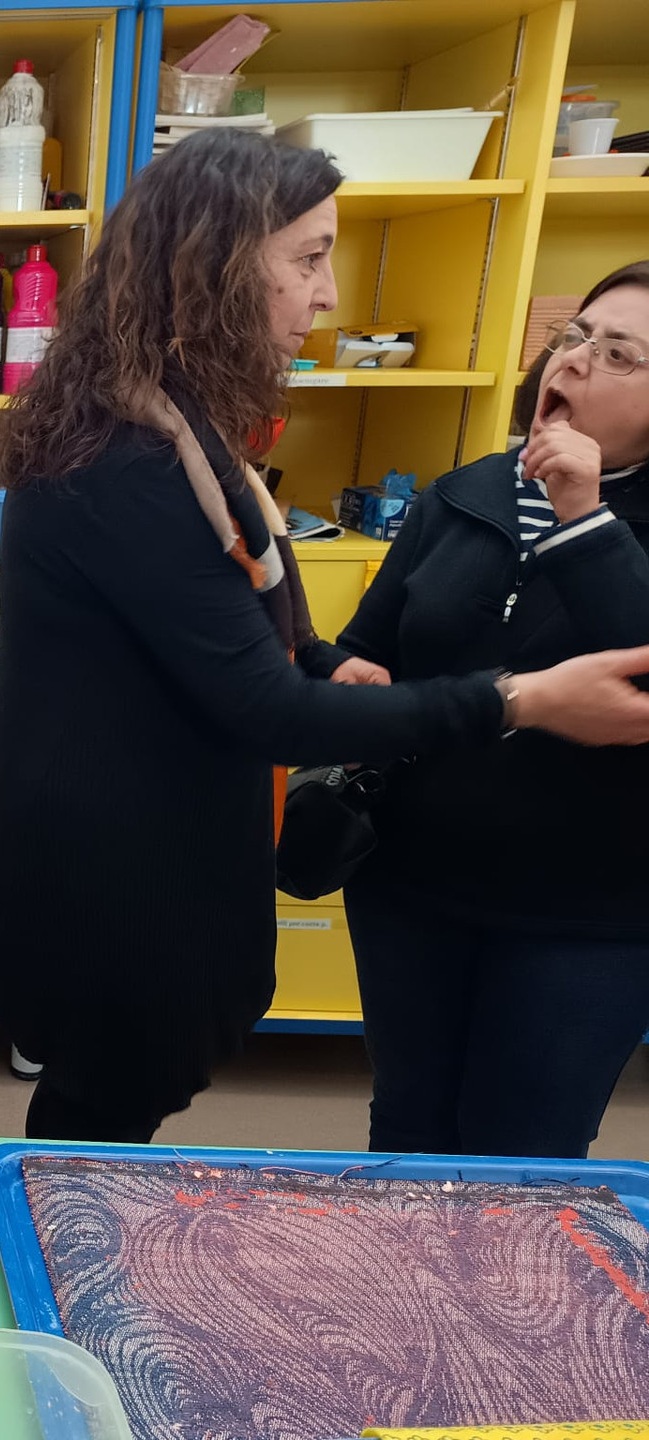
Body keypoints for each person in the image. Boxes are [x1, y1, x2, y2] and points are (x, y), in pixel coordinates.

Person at [0, 130, 649, 1145]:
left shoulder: (169, 420)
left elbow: (239, 610)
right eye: (309, 259)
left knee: (117, 1108)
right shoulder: (133, 457)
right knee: (100, 1124)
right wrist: (521, 698)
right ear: (217, 268)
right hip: (111, 873)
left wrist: (319, 658)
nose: (328, 296)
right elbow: (265, 708)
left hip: (146, 849)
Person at [336, 260, 649, 1159]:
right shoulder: (463, 493)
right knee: (408, 1127)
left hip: (590, 915)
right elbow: (370, 644)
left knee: (527, 1154)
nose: (577, 360)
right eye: (575, 337)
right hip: (412, 885)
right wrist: (349, 678)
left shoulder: (604, 514)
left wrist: (582, 516)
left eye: (619, 354)